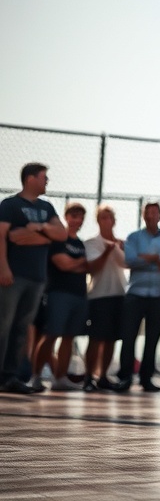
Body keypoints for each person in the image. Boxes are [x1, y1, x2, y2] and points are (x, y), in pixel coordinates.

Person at [0, 163, 67, 394]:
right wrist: (3, 268)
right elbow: (5, 237)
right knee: (3, 326)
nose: (47, 181)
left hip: (37, 278)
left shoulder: (47, 207)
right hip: (12, 275)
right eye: (43, 177)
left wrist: (37, 229)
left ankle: (10, 377)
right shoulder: (10, 205)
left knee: (21, 328)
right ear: (30, 179)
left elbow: (60, 235)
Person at [29, 202, 93, 391]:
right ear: (66, 217)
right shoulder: (58, 240)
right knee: (51, 334)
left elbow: (87, 268)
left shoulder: (80, 244)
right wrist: (81, 262)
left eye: (80, 217)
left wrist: (76, 263)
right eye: (73, 215)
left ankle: (60, 377)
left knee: (69, 336)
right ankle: (36, 375)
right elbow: (63, 264)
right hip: (58, 294)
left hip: (79, 294)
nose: (77, 220)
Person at [118, 201, 160, 392]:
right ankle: (125, 377)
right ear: (143, 215)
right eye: (148, 213)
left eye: (155, 212)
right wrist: (159, 260)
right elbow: (130, 259)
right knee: (128, 337)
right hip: (135, 295)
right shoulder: (134, 237)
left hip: (158, 296)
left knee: (152, 339)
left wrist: (149, 258)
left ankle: (146, 379)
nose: (151, 216)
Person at [83, 204, 127, 391]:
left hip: (119, 294)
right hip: (99, 296)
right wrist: (108, 251)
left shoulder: (121, 243)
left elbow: (126, 263)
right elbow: (93, 267)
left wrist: (119, 248)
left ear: (114, 221)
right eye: (102, 218)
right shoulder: (91, 243)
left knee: (111, 339)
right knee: (96, 338)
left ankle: (102, 376)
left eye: (109, 217)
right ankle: (88, 378)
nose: (106, 221)